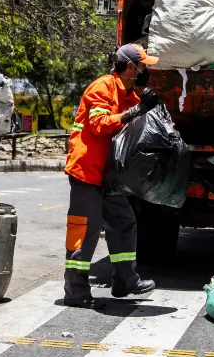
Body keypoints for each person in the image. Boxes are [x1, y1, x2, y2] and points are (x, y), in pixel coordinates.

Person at [63, 43, 160, 309]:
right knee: (86, 231)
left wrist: (149, 107)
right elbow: (99, 125)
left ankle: (126, 281)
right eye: (144, 66)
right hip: (87, 172)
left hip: (108, 176)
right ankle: (75, 291)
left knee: (124, 222)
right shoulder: (102, 87)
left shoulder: (128, 94)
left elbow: (138, 122)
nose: (146, 70)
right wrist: (136, 111)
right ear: (130, 66)